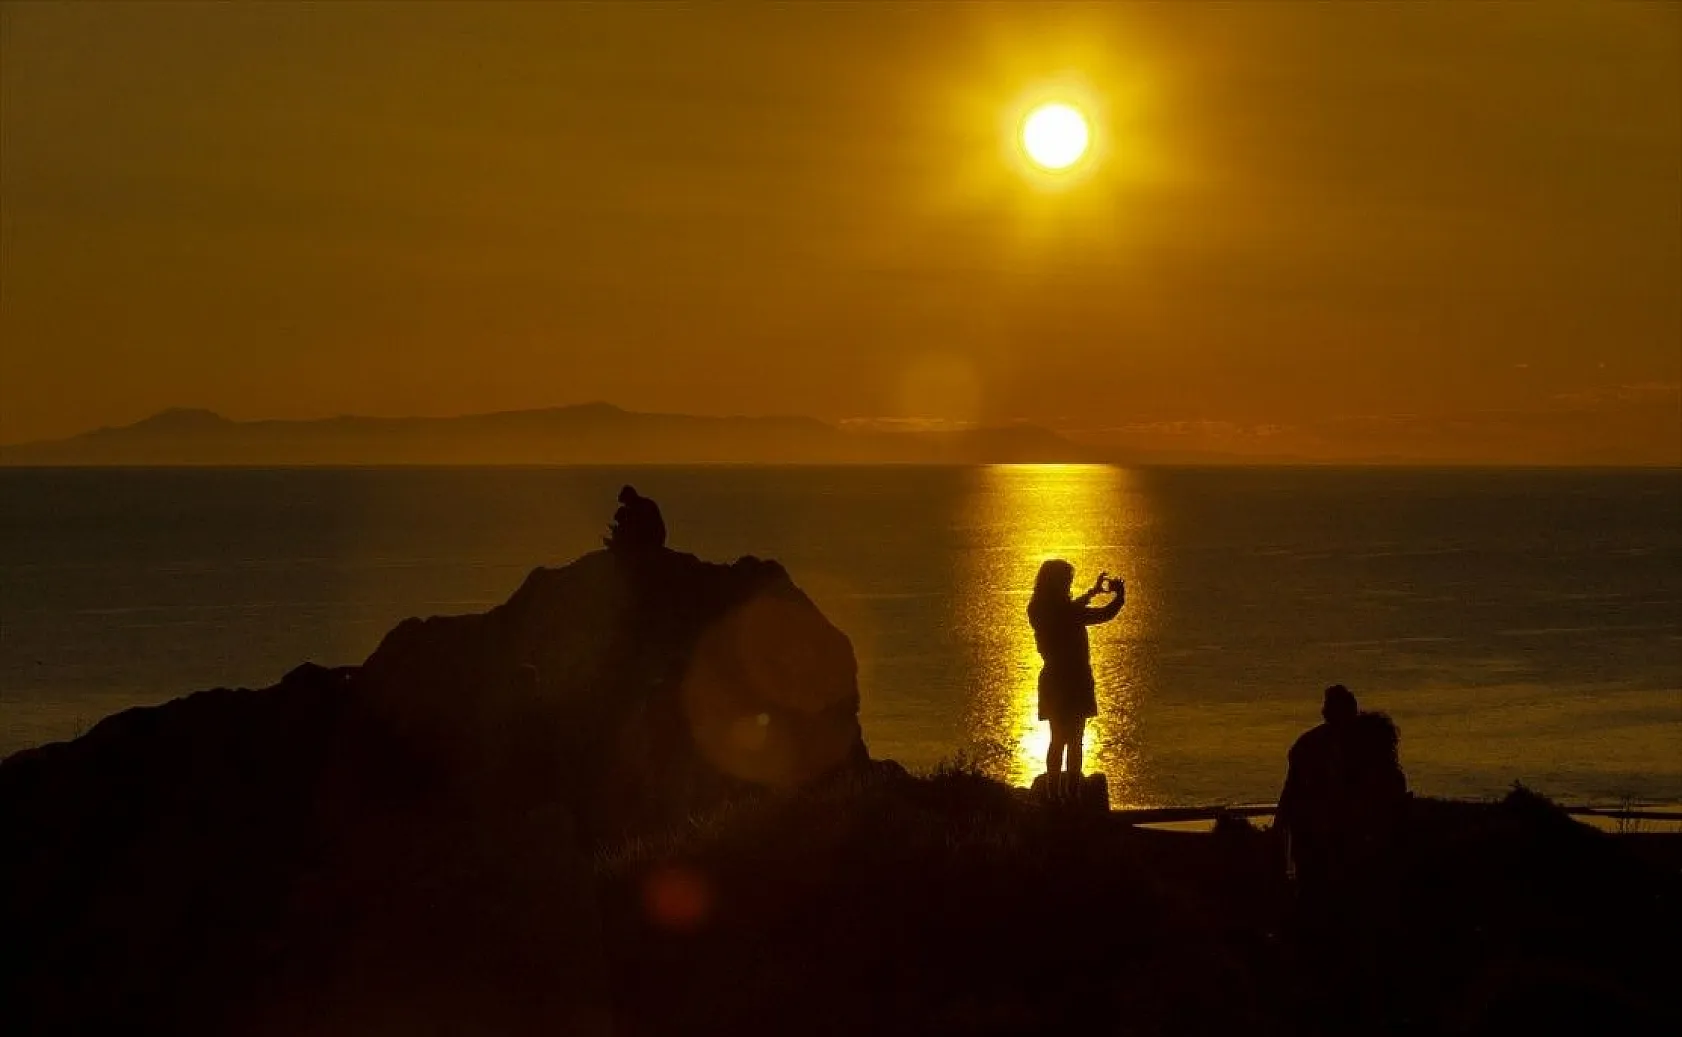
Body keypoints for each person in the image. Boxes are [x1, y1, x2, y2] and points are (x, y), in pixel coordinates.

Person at [1276, 685, 1408, 893]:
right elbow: (1293, 791)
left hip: (1343, 838)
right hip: (1319, 836)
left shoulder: (1365, 742)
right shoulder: (1310, 746)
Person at [1027, 559, 1124, 779]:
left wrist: (1092, 592)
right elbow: (1104, 614)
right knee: (1075, 741)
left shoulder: (1038, 609)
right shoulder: (1067, 613)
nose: (1069, 585)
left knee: (1057, 739)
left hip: (1052, 679)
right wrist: (1120, 597)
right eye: (1067, 581)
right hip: (1075, 680)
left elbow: (1070, 611)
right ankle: (1072, 793)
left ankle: (1053, 793)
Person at [603, 485, 667, 553]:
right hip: (649, 539)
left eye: (625, 502)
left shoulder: (642, 507)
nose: (625, 505)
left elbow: (639, 528)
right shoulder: (636, 508)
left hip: (651, 539)